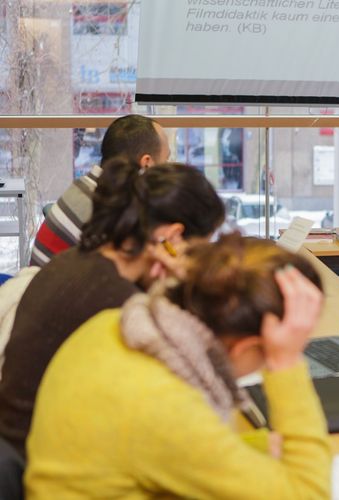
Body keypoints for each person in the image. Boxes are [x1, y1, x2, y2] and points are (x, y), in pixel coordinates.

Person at [25, 234, 331, 499]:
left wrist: (256, 445)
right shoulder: (165, 407)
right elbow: (308, 493)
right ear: (246, 346)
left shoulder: (112, 325)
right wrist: (287, 362)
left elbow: (153, 446)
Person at [0, 157, 224, 457]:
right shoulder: (117, 303)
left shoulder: (78, 261)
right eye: (195, 253)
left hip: (24, 448)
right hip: (49, 464)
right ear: (172, 238)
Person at [30, 114, 170, 266]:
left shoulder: (87, 186)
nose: (167, 167)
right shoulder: (110, 207)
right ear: (147, 164)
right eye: (166, 160)